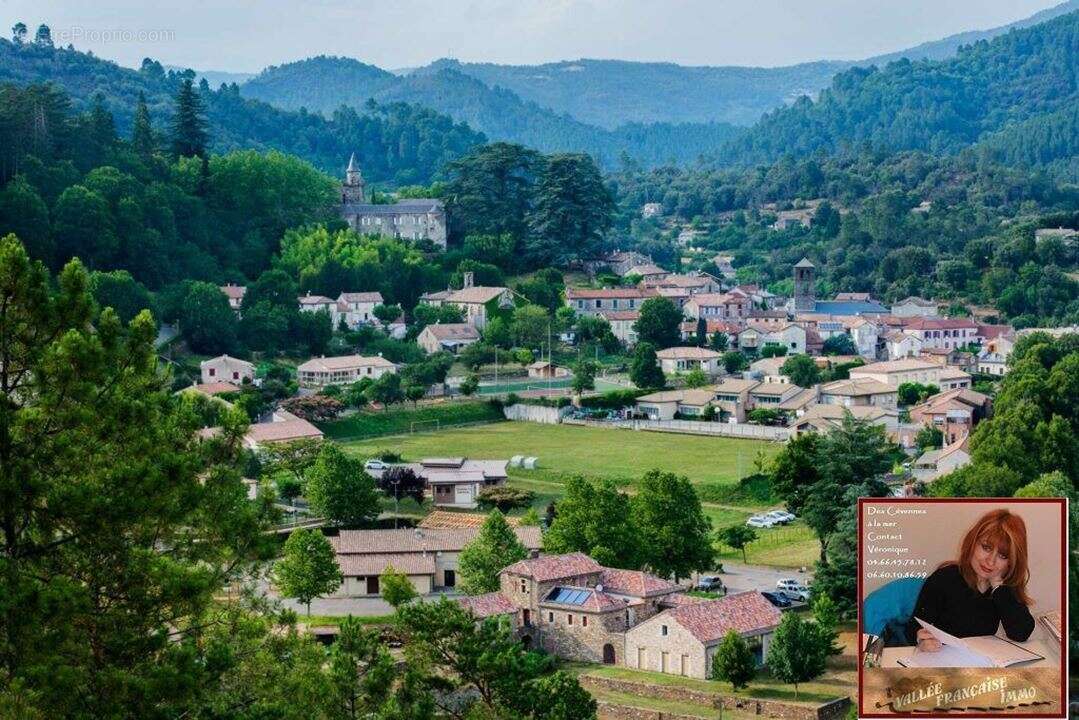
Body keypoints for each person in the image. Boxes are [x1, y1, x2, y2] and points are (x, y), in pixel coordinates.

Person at [905, 508, 1035, 651]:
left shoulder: (1004, 589)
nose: (990, 562)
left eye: (1003, 556)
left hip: (980, 662)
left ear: (1012, 562)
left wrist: (999, 587)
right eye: (986, 548)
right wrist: (920, 639)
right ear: (972, 542)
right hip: (943, 658)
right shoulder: (944, 578)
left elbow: (1021, 633)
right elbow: (913, 626)